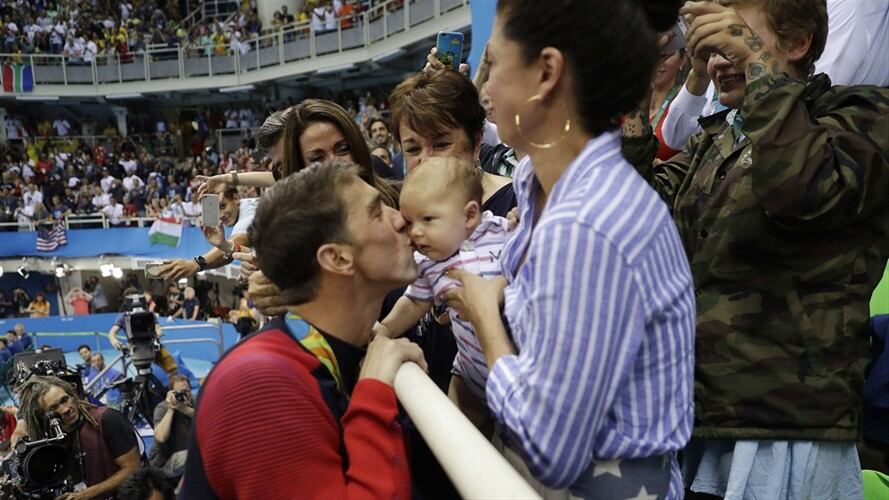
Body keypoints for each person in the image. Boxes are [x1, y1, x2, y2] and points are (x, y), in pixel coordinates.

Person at [621, 0, 889, 498]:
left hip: (787, 435)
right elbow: (636, 221)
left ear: (798, 42)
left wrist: (754, 60)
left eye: (735, 37)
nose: (719, 60)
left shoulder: (862, 115)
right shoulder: (718, 138)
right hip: (698, 422)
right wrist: (634, 93)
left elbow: (803, 190)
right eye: (712, 47)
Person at [440, 1, 695, 498]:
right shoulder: (538, 181)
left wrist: (485, 316)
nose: (484, 89)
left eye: (493, 64)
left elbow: (551, 449)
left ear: (546, 72)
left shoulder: (586, 222)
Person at [181, 161, 427, 497]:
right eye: (376, 212)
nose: (400, 218)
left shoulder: (321, 355)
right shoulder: (259, 385)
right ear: (337, 259)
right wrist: (375, 392)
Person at [375, 157, 508, 429]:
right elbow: (413, 304)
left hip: (515, 367)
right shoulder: (429, 265)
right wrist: (383, 331)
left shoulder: (503, 231)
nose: (415, 233)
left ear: (469, 215)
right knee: (462, 445)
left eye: (428, 219)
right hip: (469, 378)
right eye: (410, 222)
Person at [12, 376, 141, 499]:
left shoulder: (107, 420)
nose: (65, 409)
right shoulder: (49, 438)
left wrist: (87, 494)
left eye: (65, 400)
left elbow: (132, 469)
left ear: (73, 396)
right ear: (43, 416)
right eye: (54, 408)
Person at [153, 187, 258, 281]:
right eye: (215, 211)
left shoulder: (248, 216)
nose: (220, 216)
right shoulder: (248, 204)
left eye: (222, 206)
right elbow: (232, 250)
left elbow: (234, 244)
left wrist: (195, 264)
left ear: (236, 198)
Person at [108, 312, 178, 376]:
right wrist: (114, 340)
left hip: (152, 345)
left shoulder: (150, 314)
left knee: (172, 367)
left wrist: (157, 335)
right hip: (135, 350)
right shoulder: (124, 316)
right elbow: (112, 333)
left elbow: (158, 329)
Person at [150, 375, 193, 478]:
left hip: (187, 457)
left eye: (186, 391)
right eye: (178, 392)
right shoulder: (162, 408)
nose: (183, 395)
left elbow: (208, 421)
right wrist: (171, 409)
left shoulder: (196, 402)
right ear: (171, 393)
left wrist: (185, 409)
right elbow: (161, 437)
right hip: (165, 462)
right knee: (192, 455)